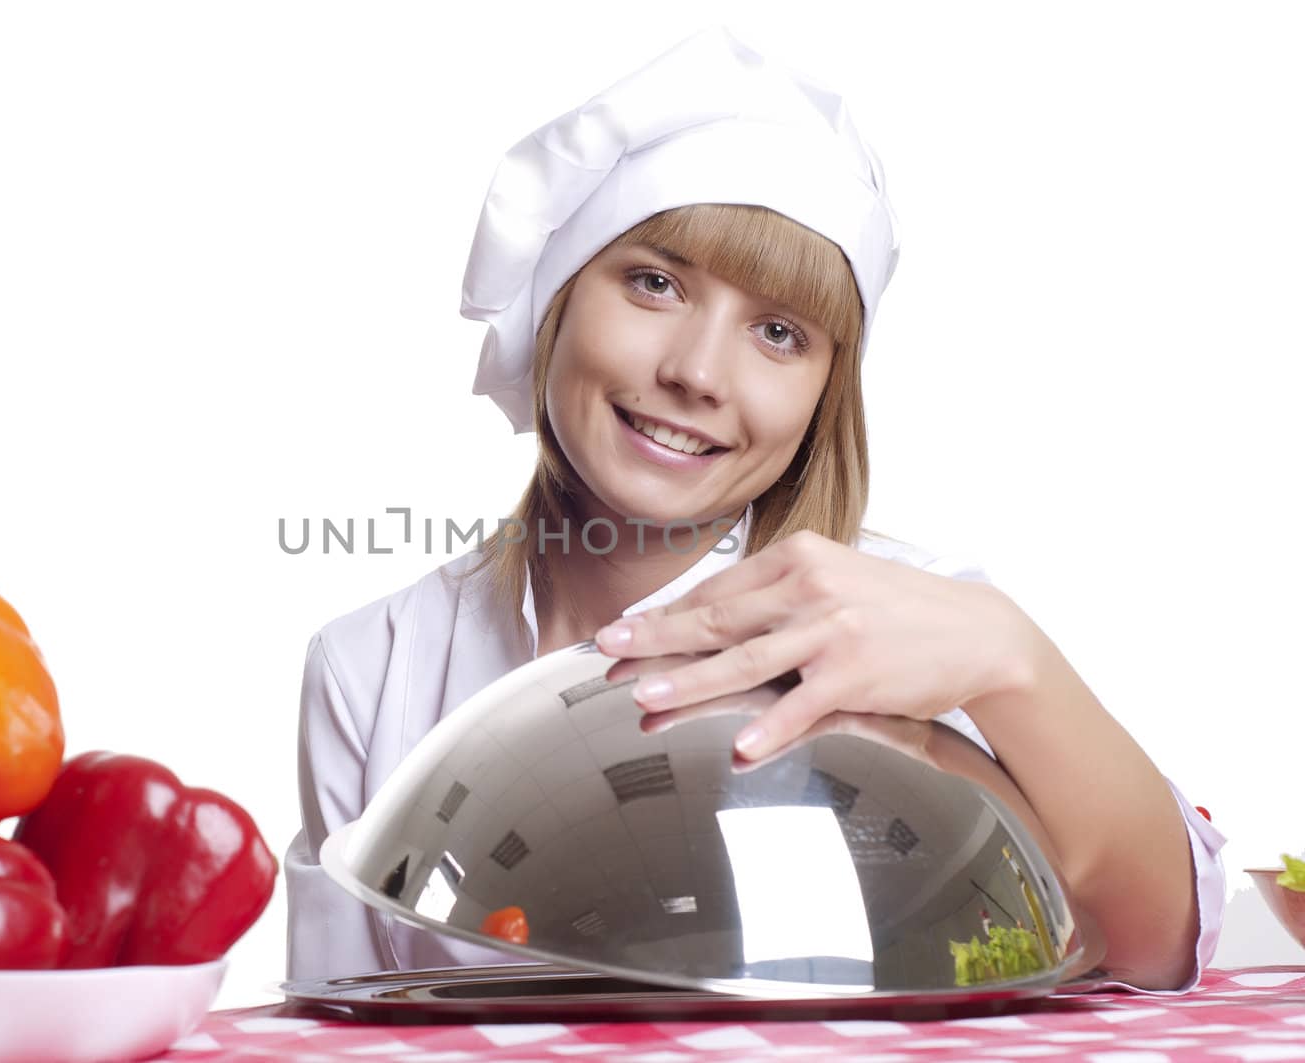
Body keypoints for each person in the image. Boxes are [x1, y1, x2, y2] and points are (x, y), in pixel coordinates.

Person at [283, 25, 1225, 993]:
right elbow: (350, 1021)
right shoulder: (372, 667)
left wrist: (1010, 657)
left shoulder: (913, 621)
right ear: (553, 297)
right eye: (653, 282)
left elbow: (1152, 946)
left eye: (778, 332)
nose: (695, 372)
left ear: (825, 390)